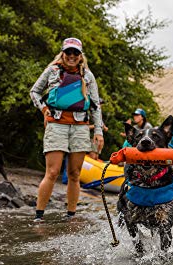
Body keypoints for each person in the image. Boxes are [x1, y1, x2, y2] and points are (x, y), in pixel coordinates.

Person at [30, 37, 103, 222]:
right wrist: (44, 109)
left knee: (75, 174)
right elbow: (34, 92)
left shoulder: (88, 75)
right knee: (53, 172)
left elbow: (95, 106)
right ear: (63, 53)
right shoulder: (52, 70)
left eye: (75, 53)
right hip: (56, 124)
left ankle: (71, 215)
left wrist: (98, 132)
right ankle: (39, 216)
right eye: (68, 52)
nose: (71, 56)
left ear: (80, 56)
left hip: (80, 127)